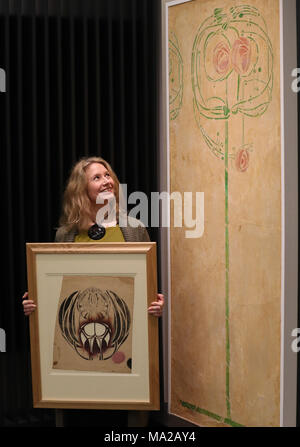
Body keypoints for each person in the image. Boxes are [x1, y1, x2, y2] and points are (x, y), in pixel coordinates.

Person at [22, 156, 164, 427]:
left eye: (108, 175)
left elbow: (148, 286)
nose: (106, 181)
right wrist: (35, 305)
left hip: (126, 351)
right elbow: (57, 292)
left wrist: (156, 303)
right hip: (78, 360)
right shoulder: (66, 235)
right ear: (81, 189)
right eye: (97, 177)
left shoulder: (134, 229)